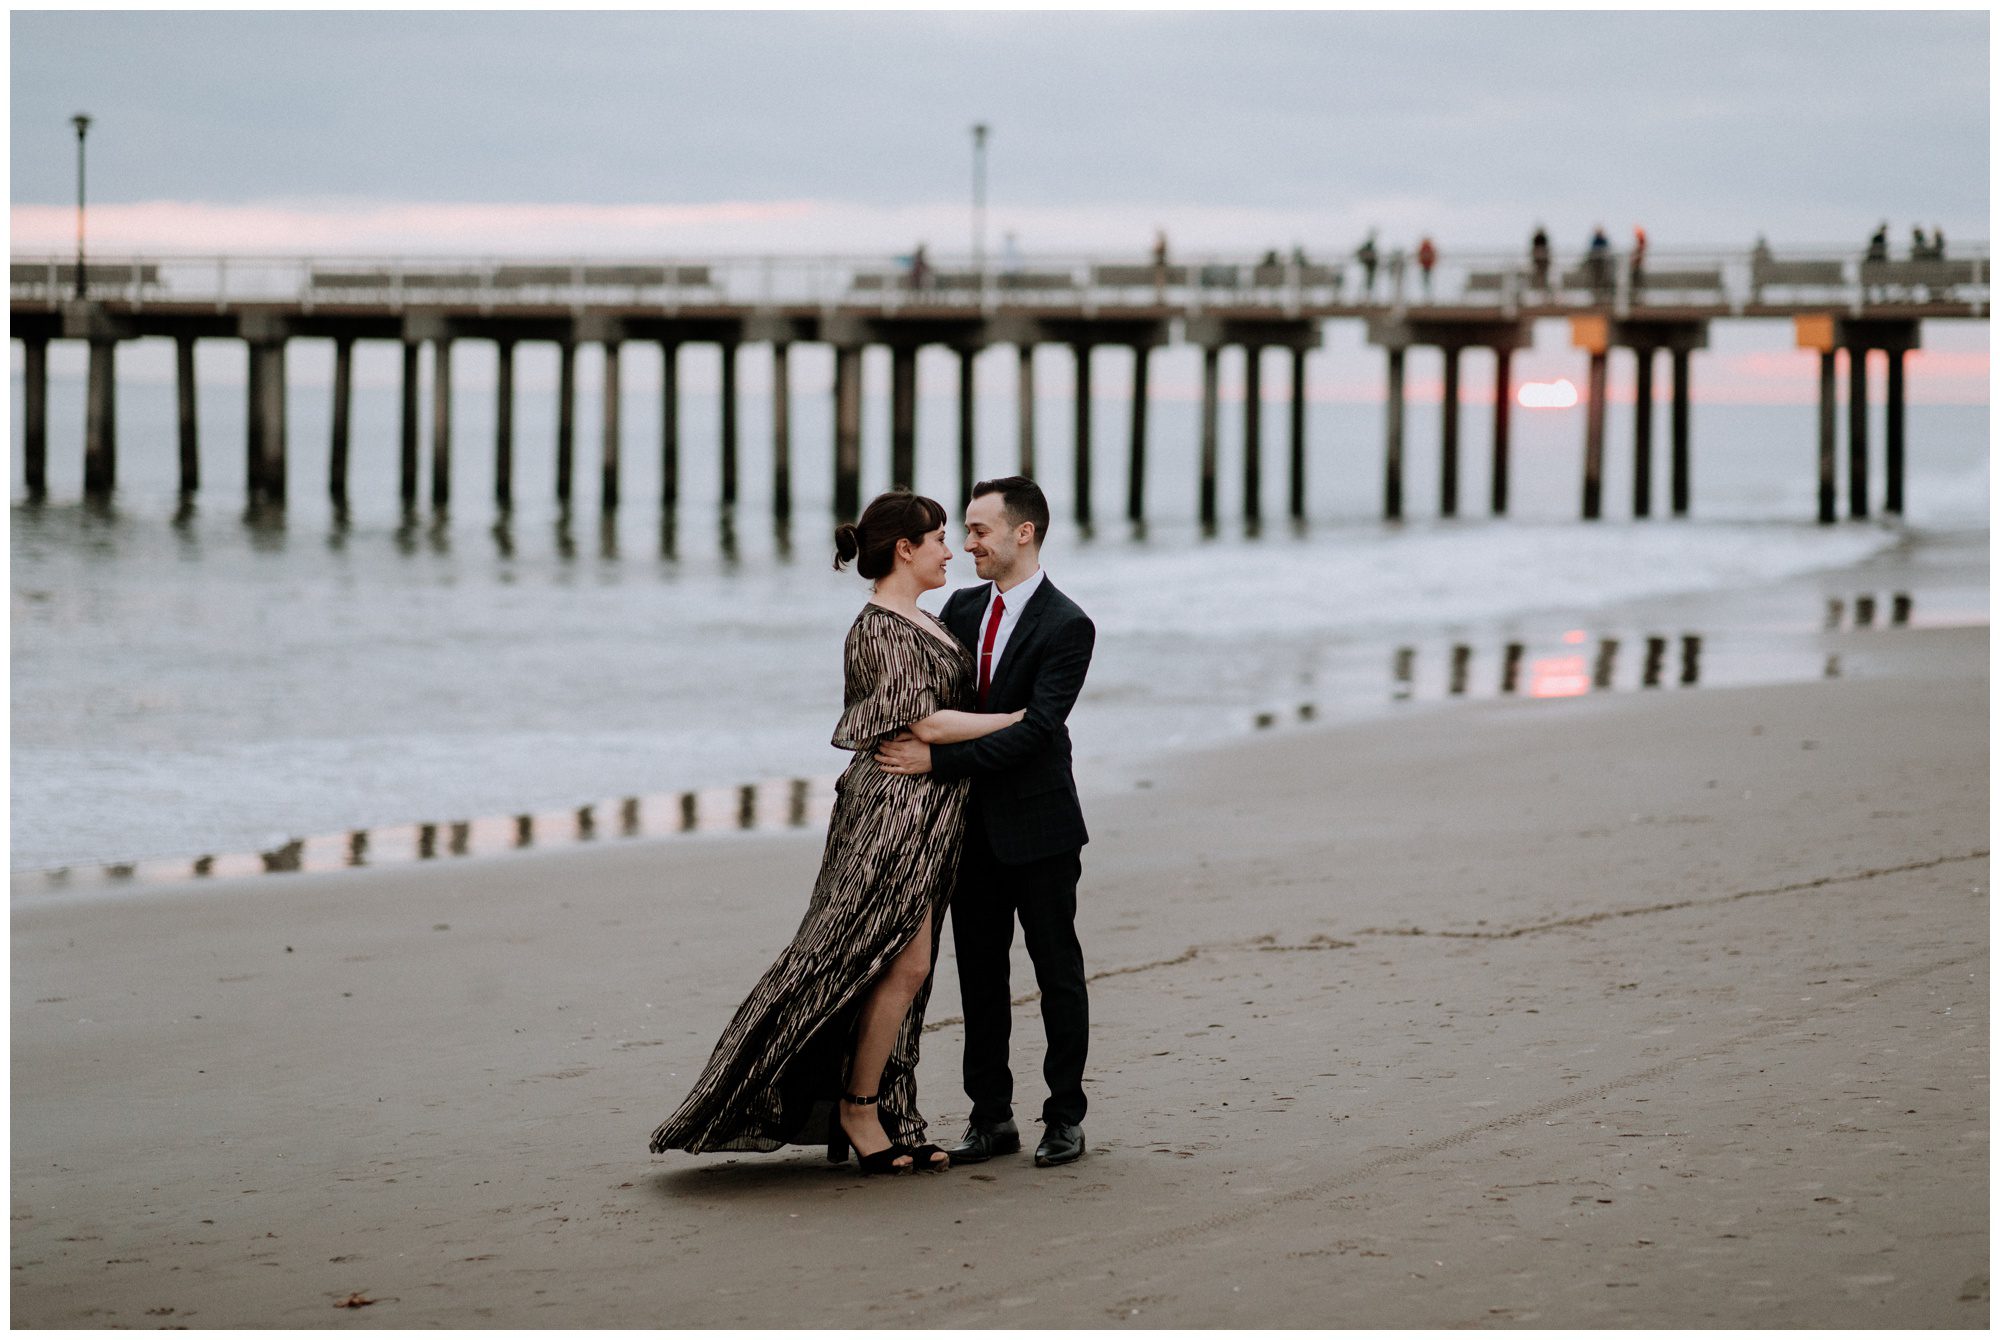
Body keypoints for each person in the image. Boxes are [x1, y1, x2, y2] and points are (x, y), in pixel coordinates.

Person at [649, 490, 1025, 1175]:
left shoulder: (928, 619)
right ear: (905, 550)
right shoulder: (878, 628)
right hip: (889, 814)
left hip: (931, 810)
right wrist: (1018, 722)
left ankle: (885, 1110)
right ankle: (856, 1109)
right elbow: (926, 724)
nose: (950, 551)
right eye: (939, 539)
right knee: (864, 958)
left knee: (902, 968)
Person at [875, 476, 1097, 1169]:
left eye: (978, 530)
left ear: (1022, 533)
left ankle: (1064, 1117)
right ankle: (990, 1117)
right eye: (964, 531)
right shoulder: (962, 611)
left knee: (1057, 972)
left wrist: (936, 765)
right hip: (968, 830)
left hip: (1041, 825)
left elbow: (1037, 732)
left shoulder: (1068, 624)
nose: (967, 542)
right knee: (979, 976)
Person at [1355, 230, 1379, 300]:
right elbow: (1359, 252)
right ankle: (1363, 298)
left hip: (1371, 268)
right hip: (1367, 268)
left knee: (1370, 283)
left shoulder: (1371, 247)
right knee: (1365, 283)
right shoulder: (1367, 246)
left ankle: (1368, 298)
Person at [1530, 225, 1552, 296]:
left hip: (1543, 262)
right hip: (1538, 262)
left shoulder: (1543, 238)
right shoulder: (1536, 239)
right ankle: (1538, 291)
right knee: (1538, 277)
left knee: (1544, 278)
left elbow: (1547, 250)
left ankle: (1544, 292)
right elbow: (1534, 250)